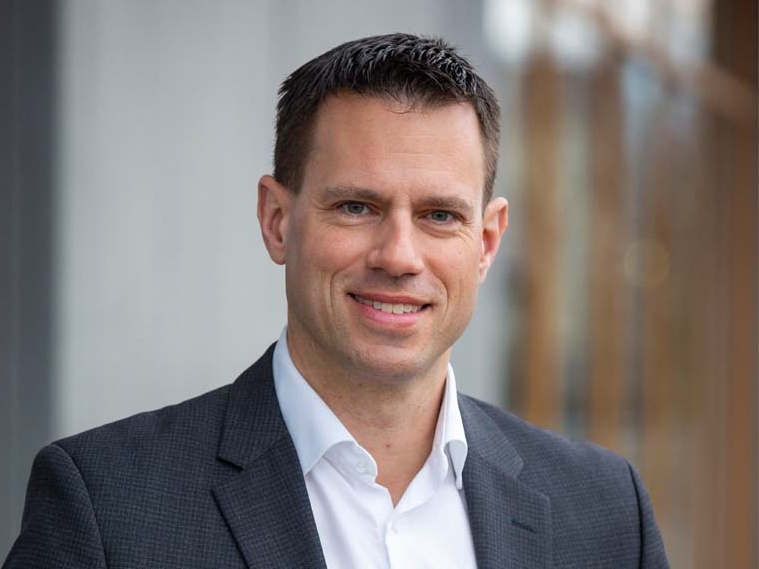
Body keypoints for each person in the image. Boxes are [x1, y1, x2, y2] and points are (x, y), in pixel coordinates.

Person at [3, 33, 669, 568]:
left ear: (487, 241)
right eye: (356, 206)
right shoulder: (107, 506)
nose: (399, 256)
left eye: (439, 215)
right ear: (276, 220)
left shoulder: (606, 514)